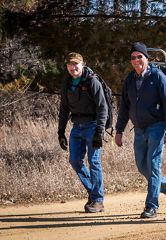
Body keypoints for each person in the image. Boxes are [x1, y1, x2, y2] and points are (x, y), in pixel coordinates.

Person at [115, 42, 166, 218]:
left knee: (153, 164)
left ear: (146, 58)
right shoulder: (129, 79)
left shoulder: (158, 77)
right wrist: (119, 130)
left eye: (140, 57)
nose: (136, 60)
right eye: (133, 57)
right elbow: (124, 108)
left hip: (157, 127)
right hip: (138, 129)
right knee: (142, 166)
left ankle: (151, 206)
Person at [58, 52, 108, 213]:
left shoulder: (92, 81)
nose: (73, 68)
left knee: (94, 162)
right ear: (67, 66)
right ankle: (93, 193)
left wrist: (100, 131)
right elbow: (64, 109)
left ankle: (98, 200)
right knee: (74, 160)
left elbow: (102, 107)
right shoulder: (67, 83)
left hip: (93, 125)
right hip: (76, 126)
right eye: (70, 65)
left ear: (83, 64)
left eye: (76, 64)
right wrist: (60, 131)